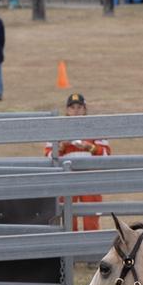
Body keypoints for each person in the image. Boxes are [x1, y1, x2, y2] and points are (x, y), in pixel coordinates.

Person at [44, 93, 112, 231]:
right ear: (67, 110)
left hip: (90, 178)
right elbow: (48, 156)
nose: (76, 111)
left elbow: (106, 155)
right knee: (68, 219)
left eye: (79, 107)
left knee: (91, 219)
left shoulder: (95, 127)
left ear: (85, 109)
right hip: (67, 178)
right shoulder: (58, 129)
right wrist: (61, 147)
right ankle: (71, 249)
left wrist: (90, 147)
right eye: (72, 107)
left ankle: (91, 248)